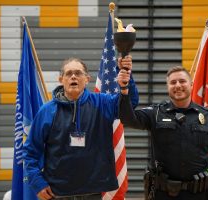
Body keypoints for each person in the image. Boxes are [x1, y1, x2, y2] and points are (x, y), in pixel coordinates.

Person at [23, 56, 137, 200]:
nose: (73, 77)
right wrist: (37, 183)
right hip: (57, 193)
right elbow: (30, 151)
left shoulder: (103, 103)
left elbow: (129, 104)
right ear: (61, 80)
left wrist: (126, 79)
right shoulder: (46, 111)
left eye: (78, 73)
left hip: (94, 192)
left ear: (87, 79)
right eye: (69, 73)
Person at [118, 65, 208, 200]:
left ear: (191, 85)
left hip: (200, 194)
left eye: (182, 81)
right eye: (173, 82)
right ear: (167, 87)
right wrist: (124, 90)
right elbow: (128, 119)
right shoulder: (156, 113)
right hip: (163, 194)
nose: (178, 85)